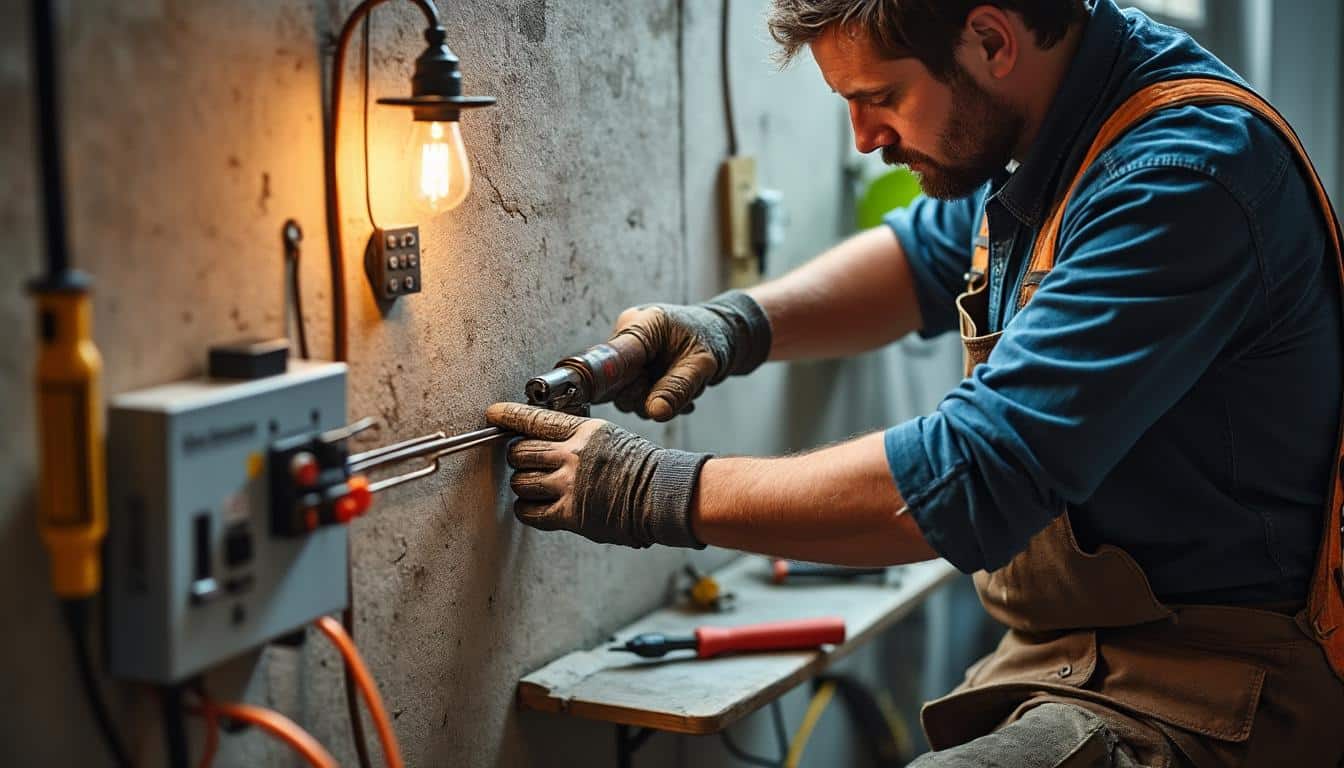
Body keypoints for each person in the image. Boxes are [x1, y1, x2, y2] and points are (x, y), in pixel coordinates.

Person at [485, 1, 1344, 764]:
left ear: (990, 38)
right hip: (1069, 655)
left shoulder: (1180, 178)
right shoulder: (1051, 127)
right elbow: (925, 256)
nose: (864, 136)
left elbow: (974, 476)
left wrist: (654, 489)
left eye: (880, 97)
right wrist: (732, 325)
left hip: (1218, 691)